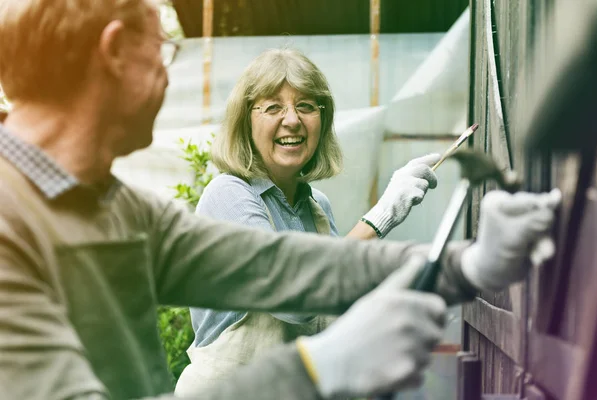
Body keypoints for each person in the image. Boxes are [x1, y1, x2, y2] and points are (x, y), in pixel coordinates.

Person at [0, 0, 561, 399]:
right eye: (164, 54)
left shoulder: (112, 204)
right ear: (115, 51)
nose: (167, 76)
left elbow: (282, 265)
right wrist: (316, 371)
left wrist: (466, 262)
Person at [175, 48, 443, 395]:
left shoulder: (316, 207)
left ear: (323, 118)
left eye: (306, 106)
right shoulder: (228, 196)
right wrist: (381, 216)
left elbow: (335, 300)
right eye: (273, 107)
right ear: (246, 120)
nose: (292, 120)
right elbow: (294, 297)